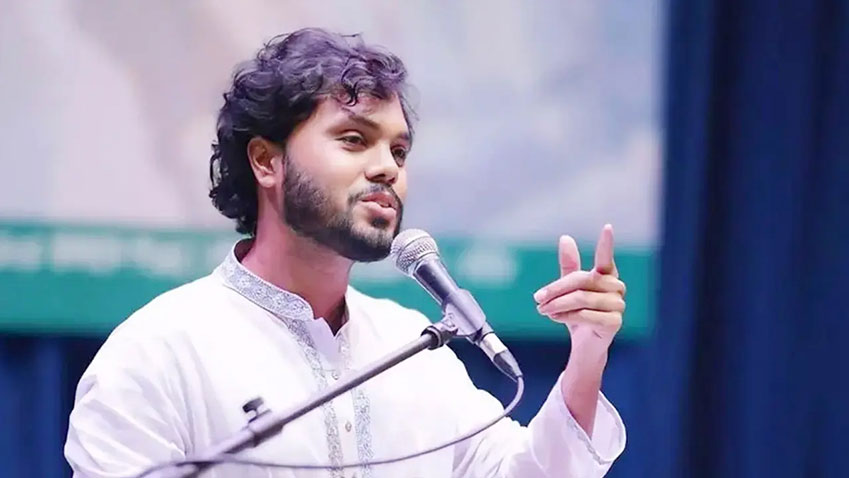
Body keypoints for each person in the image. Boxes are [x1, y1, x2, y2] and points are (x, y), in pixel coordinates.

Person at [64, 28, 627, 478]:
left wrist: (587, 355)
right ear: (266, 161)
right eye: (354, 140)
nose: (386, 168)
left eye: (399, 151)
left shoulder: (416, 351)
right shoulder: (158, 353)